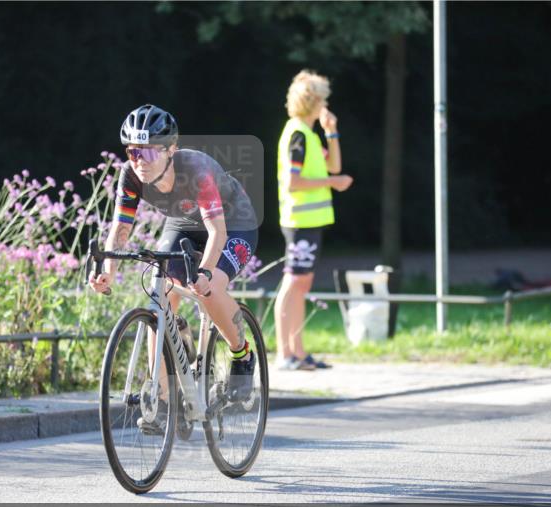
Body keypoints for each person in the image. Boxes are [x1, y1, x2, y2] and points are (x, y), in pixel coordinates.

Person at [88, 104, 259, 432]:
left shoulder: (195, 170)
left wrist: (205, 273)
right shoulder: (130, 175)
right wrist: (108, 269)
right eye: (133, 151)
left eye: (149, 153)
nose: (139, 161)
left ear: (171, 150)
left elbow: (217, 233)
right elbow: (119, 230)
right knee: (160, 289)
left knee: (209, 290)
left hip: (233, 223)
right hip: (182, 223)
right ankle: (163, 399)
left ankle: (242, 354)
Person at [275, 70, 354, 371]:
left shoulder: (307, 134)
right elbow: (294, 183)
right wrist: (332, 183)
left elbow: (333, 164)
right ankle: (286, 354)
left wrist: (331, 131)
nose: (326, 104)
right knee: (294, 281)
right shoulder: (297, 134)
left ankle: (298, 351)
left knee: (301, 283)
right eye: (323, 99)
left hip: (309, 221)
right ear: (312, 101)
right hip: (299, 221)